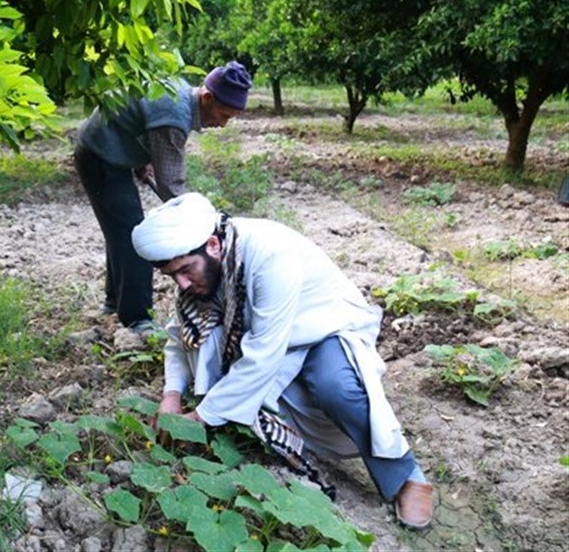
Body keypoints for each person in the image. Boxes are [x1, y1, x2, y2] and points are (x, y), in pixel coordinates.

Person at [130, 192, 434, 530]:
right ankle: (264, 425)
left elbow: (263, 354)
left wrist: (199, 418)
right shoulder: (204, 265)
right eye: (172, 275)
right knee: (211, 348)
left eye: (185, 271)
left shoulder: (270, 256)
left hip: (320, 329)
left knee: (335, 387)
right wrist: (171, 396)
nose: (182, 283)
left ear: (213, 245)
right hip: (272, 341)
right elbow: (178, 336)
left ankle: (405, 475)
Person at [74, 62, 253, 332]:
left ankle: (114, 302)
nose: (223, 124)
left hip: (106, 149)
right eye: (224, 114)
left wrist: (142, 159)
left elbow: (138, 123)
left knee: (120, 229)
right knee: (132, 235)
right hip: (100, 155)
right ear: (207, 98)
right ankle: (137, 319)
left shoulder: (178, 95)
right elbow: (173, 188)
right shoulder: (174, 116)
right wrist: (207, 226)